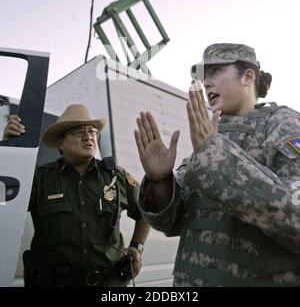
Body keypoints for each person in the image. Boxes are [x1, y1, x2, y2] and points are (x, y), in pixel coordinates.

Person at [134, 43, 300, 287]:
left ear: (248, 76)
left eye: (215, 72)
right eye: (203, 78)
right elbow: (171, 222)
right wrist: (161, 181)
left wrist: (215, 155)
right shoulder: (213, 136)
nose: (205, 83)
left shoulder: (282, 123)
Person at [5, 104, 150, 287]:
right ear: (61, 143)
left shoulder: (116, 177)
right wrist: (9, 151)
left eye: (92, 131)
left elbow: (146, 210)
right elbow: (4, 202)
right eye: (78, 132)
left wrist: (137, 247)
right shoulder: (39, 179)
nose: (88, 136)